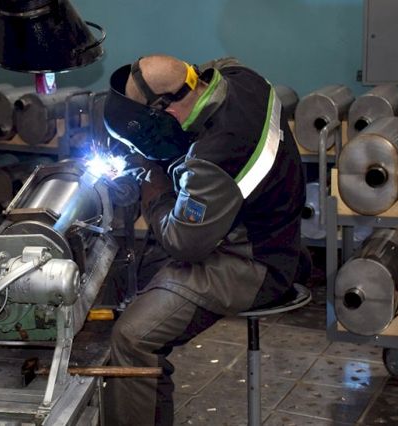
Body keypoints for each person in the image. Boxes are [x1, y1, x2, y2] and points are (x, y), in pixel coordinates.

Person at [102, 55, 305, 425]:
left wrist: (155, 188)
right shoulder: (243, 77)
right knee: (127, 279)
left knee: (132, 338)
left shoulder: (213, 160)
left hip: (252, 261)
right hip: (274, 230)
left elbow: (182, 242)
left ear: (164, 109)